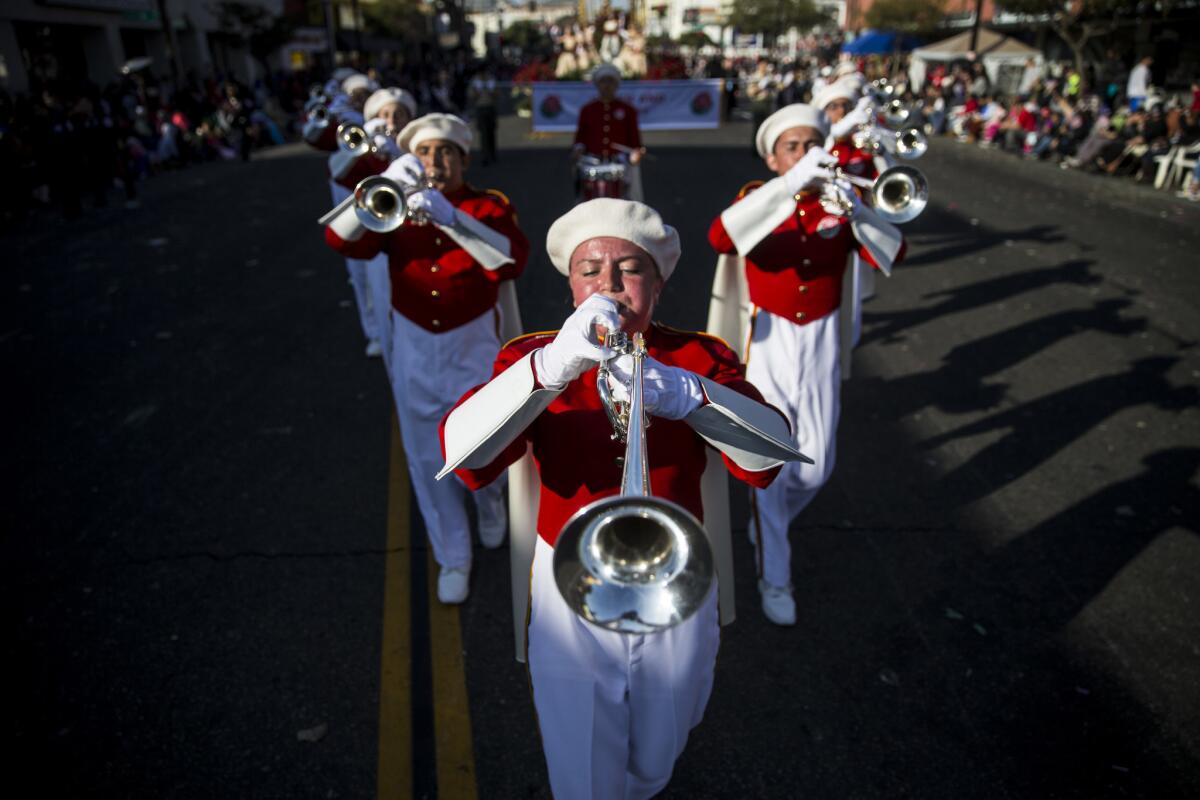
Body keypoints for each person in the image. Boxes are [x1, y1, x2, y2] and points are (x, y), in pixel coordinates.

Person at [439, 198, 803, 799]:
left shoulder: (698, 356)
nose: (608, 283)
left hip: (678, 575)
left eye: (629, 268)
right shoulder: (531, 356)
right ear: (570, 286)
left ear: (657, 283)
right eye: (589, 270)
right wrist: (552, 367)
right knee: (581, 768)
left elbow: (769, 459)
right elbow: (467, 460)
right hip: (567, 584)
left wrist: (689, 394)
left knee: (662, 747)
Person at [705, 104, 907, 625]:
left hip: (820, 342)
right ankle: (776, 574)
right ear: (773, 159)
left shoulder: (842, 202)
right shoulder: (757, 198)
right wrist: (792, 183)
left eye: (811, 144)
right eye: (791, 147)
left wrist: (859, 213)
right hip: (766, 340)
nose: (804, 153)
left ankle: (767, 517)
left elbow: (894, 254)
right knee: (770, 460)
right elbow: (721, 237)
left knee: (818, 465)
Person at [323, 113, 529, 603]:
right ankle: (453, 556)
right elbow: (339, 240)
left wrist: (452, 217)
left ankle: (490, 503)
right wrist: (385, 184)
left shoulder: (486, 205)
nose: (435, 162)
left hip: (472, 344)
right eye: (424, 153)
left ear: (463, 159)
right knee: (425, 458)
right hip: (415, 348)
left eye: (445, 153)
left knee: (485, 443)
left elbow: (511, 261)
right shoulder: (395, 208)